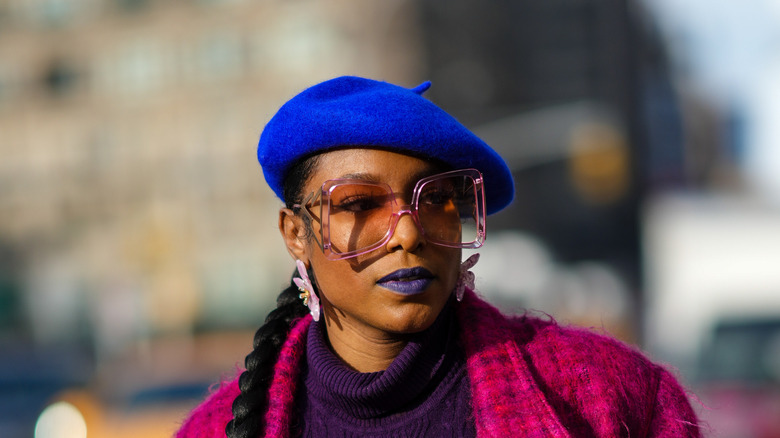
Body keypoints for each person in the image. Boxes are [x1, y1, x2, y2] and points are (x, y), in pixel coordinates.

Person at [175, 76, 701, 437]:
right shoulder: (215, 428)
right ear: (296, 233)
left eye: (440, 200)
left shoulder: (612, 394)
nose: (407, 233)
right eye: (359, 204)